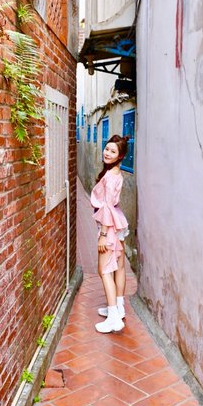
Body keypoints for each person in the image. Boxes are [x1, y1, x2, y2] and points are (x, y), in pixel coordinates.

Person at [91, 135, 130, 333]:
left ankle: (114, 317)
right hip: (118, 223)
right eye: (107, 149)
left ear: (120, 156)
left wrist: (103, 235)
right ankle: (118, 307)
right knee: (119, 267)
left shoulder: (110, 177)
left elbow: (106, 206)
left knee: (105, 270)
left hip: (110, 226)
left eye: (113, 151)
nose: (107, 153)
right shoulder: (116, 173)